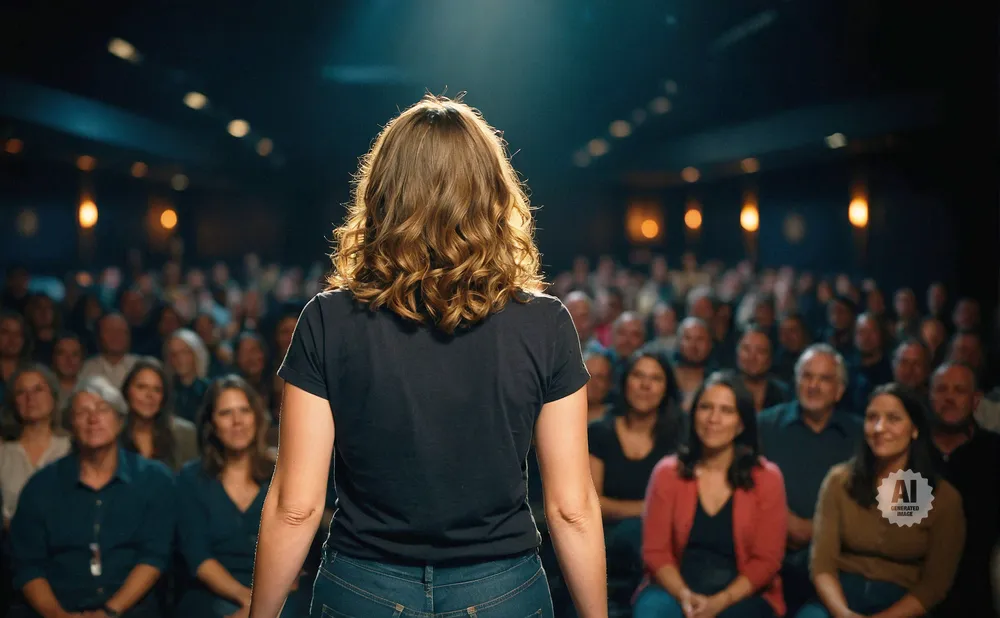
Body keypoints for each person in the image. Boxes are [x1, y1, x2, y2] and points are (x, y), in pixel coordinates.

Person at [248, 95, 607, 618]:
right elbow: (571, 509)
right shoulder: (546, 323)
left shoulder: (327, 320)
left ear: (383, 191)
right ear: (491, 191)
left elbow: (296, 506)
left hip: (362, 586)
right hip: (501, 589)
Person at [798, 383, 965, 617]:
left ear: (914, 429)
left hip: (902, 604)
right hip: (840, 597)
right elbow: (822, 565)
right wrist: (843, 614)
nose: (879, 428)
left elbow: (934, 585)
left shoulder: (943, 497)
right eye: (872, 417)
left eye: (893, 419)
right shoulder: (839, 481)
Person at [635, 372, 787, 618]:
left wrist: (719, 602)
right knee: (652, 610)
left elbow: (767, 560)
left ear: (741, 423)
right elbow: (655, 551)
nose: (713, 419)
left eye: (726, 410)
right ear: (694, 413)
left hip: (742, 595)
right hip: (675, 590)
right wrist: (685, 595)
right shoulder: (667, 473)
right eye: (706, 407)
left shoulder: (767, 478)